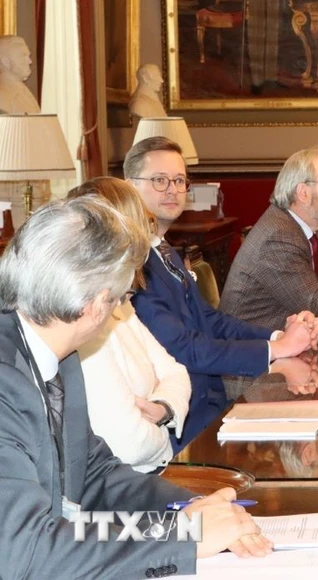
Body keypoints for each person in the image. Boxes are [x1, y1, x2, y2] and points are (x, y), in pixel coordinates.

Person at [0, 196, 272, 576]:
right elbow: (26, 551)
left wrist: (191, 514)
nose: (118, 311)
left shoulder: (57, 353)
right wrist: (180, 541)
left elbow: (96, 475)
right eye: (120, 298)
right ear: (95, 306)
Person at [126, 137, 318, 450]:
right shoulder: (133, 264)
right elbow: (187, 349)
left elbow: (209, 319)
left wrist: (277, 337)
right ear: (130, 186)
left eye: (179, 181)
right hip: (182, 428)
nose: (173, 190)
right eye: (159, 180)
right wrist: (278, 349)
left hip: (211, 408)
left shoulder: (165, 250)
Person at [67, 178, 191, 474]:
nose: (148, 236)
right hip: (126, 484)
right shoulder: (87, 318)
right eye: (143, 224)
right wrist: (164, 437)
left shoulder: (121, 303)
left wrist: (163, 408)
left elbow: (176, 371)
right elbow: (128, 445)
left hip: (149, 468)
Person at [222, 145, 318, 330]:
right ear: (304, 193)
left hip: (293, 342)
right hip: (256, 349)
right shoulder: (278, 237)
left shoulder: (309, 228)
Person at [0, 34, 41, 113]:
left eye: (28, 56)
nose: (30, 61)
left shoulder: (24, 91)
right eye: (23, 56)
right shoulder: (2, 96)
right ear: (5, 62)